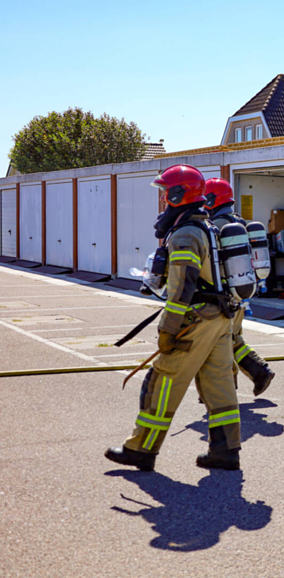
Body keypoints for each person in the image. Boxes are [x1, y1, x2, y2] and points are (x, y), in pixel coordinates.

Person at [105, 165, 242, 472]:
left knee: (162, 382)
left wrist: (167, 330)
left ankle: (141, 450)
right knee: (219, 384)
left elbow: (181, 289)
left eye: (166, 193)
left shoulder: (185, 235)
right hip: (220, 319)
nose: (163, 200)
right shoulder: (207, 228)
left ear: (179, 195)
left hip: (195, 322)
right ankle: (225, 451)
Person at [203, 178, 275, 397]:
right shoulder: (237, 222)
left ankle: (255, 374)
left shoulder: (218, 226)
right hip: (239, 293)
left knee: (223, 341)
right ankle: (245, 379)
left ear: (212, 199)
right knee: (232, 338)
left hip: (223, 295)